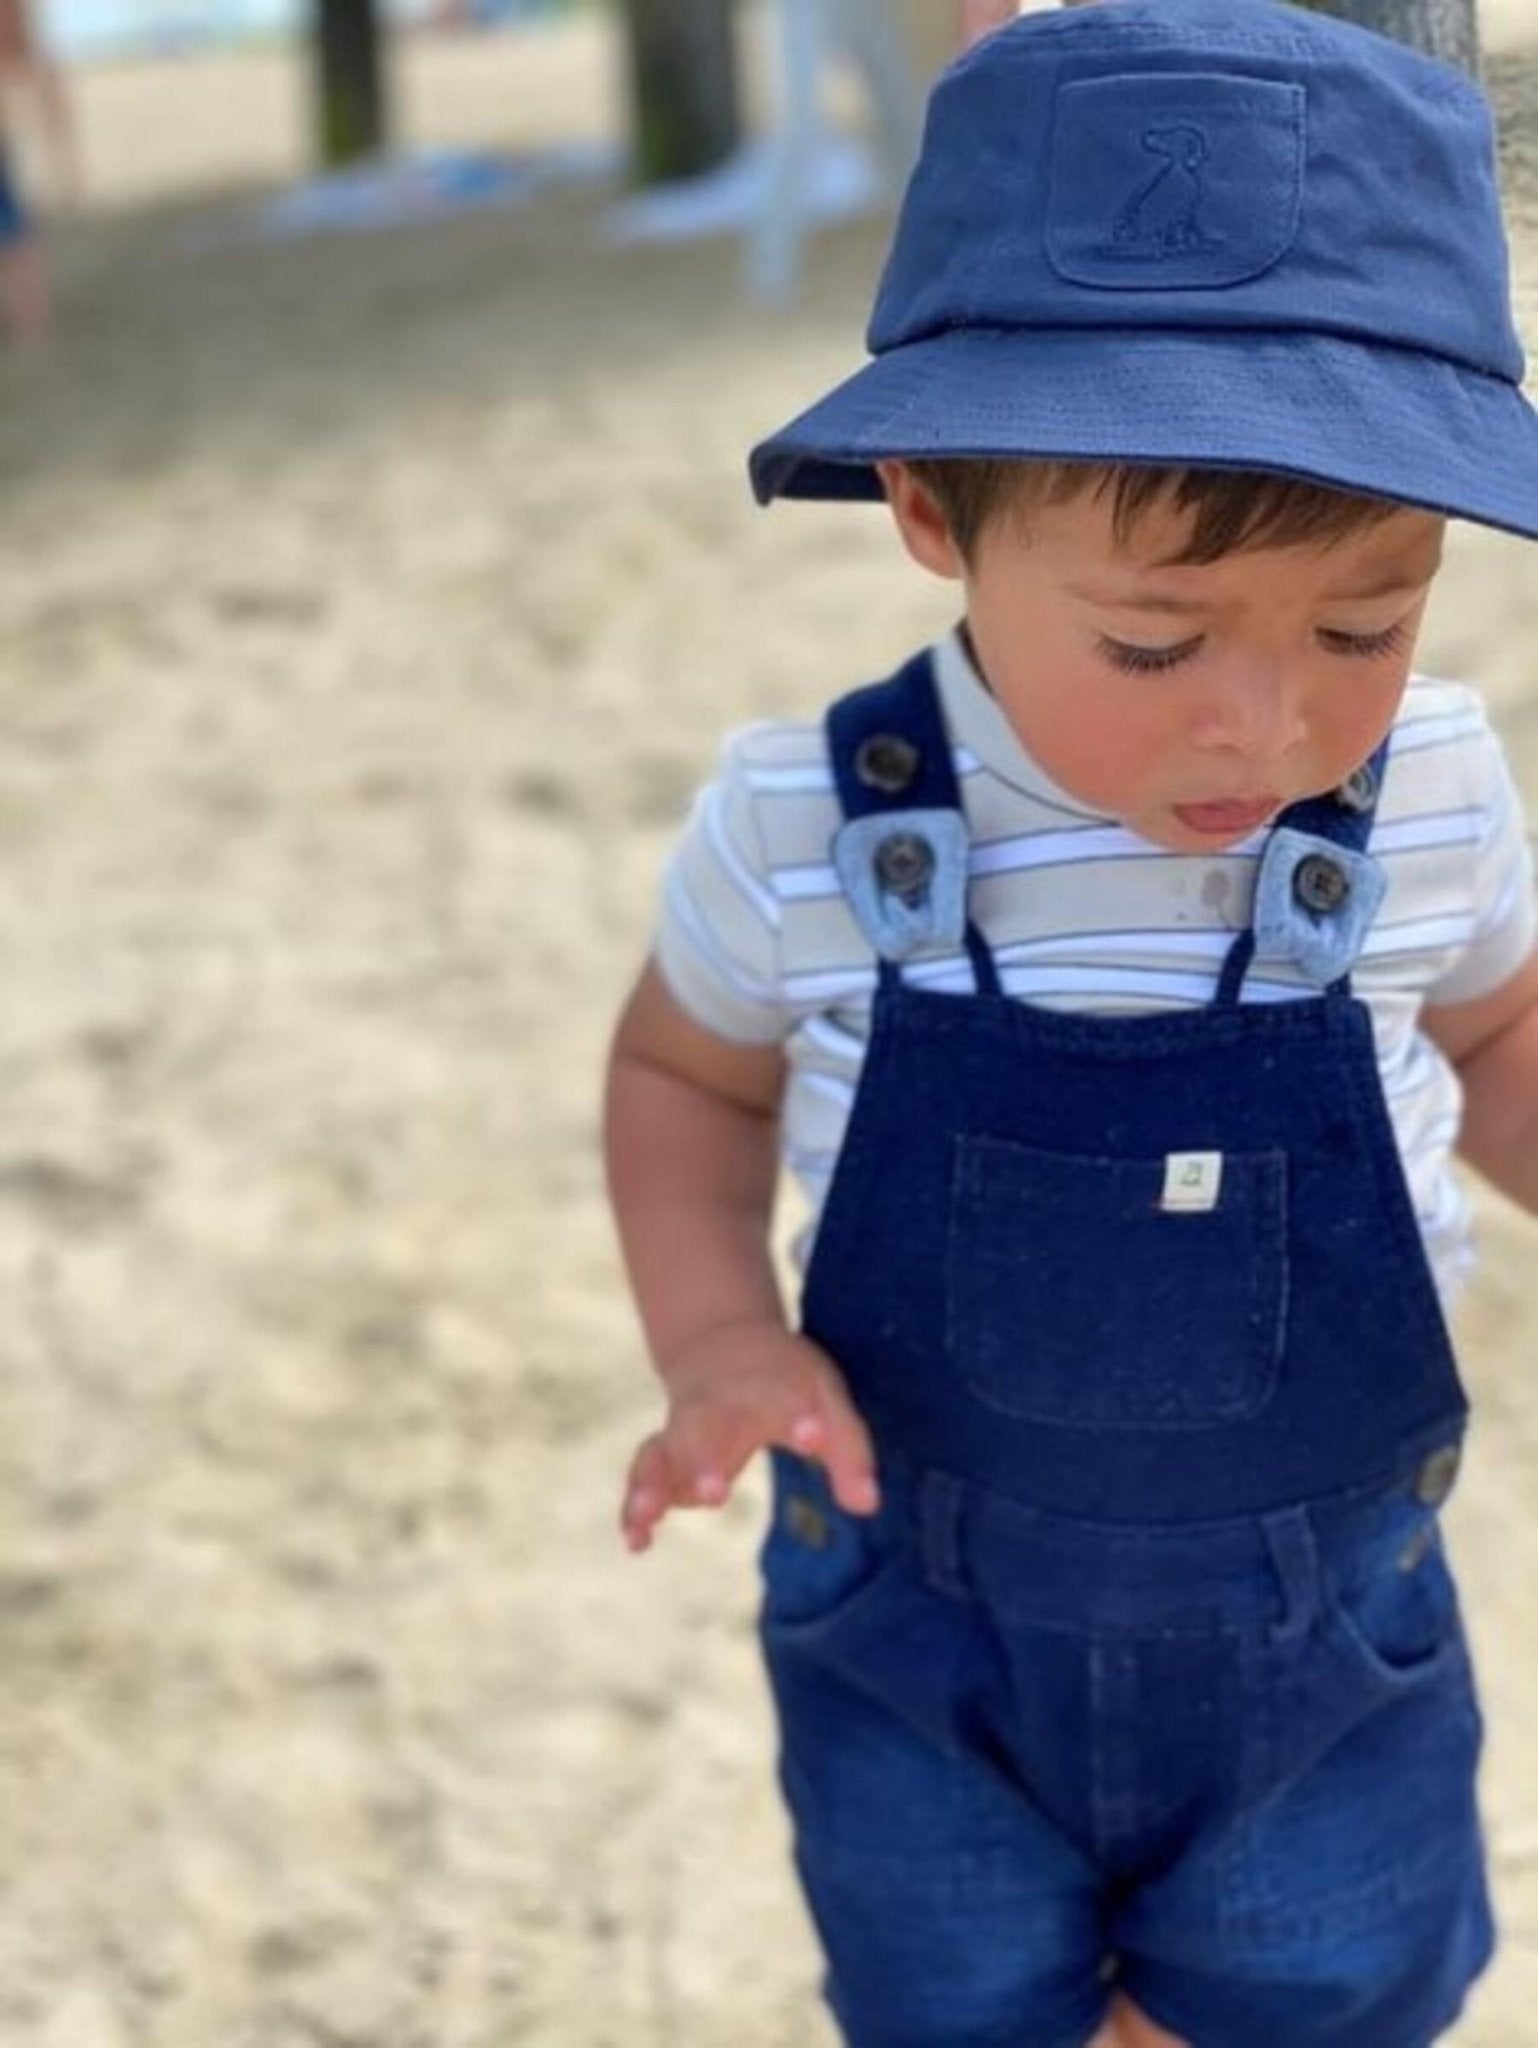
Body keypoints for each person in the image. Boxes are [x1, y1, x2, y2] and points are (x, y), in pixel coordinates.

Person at [603, 1, 1538, 2042]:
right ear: (930, 511)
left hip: (1322, 1654)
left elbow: (1494, 1039)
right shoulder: (806, 824)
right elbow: (682, 1076)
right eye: (1148, 640)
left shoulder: (1437, 796)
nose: (1262, 724)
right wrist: (716, 1336)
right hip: (916, 1650)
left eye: (1365, 623)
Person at [0, 0, 77, 343]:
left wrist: (65, 168)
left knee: (19, 242)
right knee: (18, 241)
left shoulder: (28, 50)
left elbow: (52, 104)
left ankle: (30, 326)